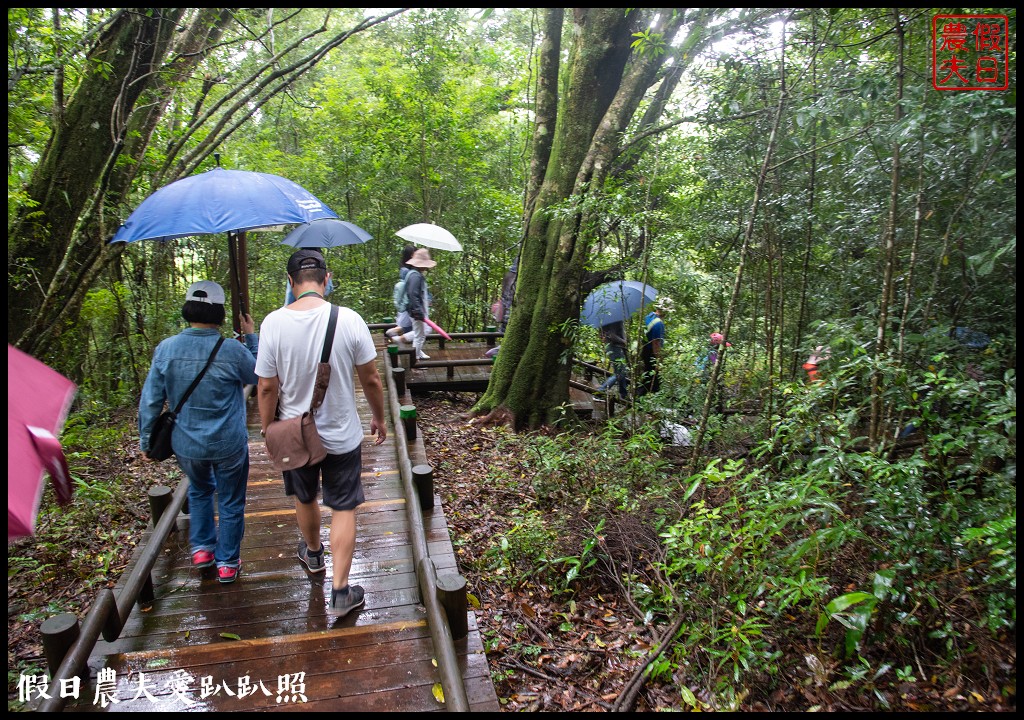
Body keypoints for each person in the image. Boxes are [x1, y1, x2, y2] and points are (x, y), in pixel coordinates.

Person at [256, 249, 387, 618]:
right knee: (343, 505)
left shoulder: (272, 324)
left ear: (290, 282)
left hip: (295, 435)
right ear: (326, 280)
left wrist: (269, 429)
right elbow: (372, 379)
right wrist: (379, 418)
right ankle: (342, 592)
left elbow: (266, 387)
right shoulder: (350, 320)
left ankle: (313, 556)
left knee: (304, 495)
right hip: (342, 434)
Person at [139, 281, 259, 584]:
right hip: (228, 442)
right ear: (219, 312)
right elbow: (259, 375)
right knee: (231, 500)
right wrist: (251, 337)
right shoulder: (232, 350)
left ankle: (203, 549)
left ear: (188, 308)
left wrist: (146, 439)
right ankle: (227, 563)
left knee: (200, 489)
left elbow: (151, 400)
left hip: (186, 443)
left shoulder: (166, 349)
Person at [404, 247, 437, 361]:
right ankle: (415, 358)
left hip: (415, 309)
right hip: (416, 311)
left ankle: (418, 352)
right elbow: (413, 294)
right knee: (419, 334)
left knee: (420, 334)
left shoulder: (414, 274)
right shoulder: (415, 276)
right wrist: (418, 311)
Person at [638, 296, 673, 396]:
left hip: (644, 350)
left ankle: (642, 398)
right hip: (651, 354)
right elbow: (656, 343)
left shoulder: (648, 316)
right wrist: (658, 360)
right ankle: (640, 398)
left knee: (648, 376)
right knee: (652, 379)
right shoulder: (659, 324)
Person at [385, 245, 418, 343]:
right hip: (408, 302)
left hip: (407, 302)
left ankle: (413, 349)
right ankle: (397, 338)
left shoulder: (406, 268)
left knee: (410, 327)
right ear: (411, 255)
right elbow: (411, 286)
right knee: (418, 328)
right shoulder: (406, 271)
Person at [596, 321, 630, 399]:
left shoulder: (607, 317)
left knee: (621, 372)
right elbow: (612, 335)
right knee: (619, 373)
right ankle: (600, 392)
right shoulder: (616, 320)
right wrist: (624, 341)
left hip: (612, 346)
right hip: (615, 347)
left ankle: (624, 395)